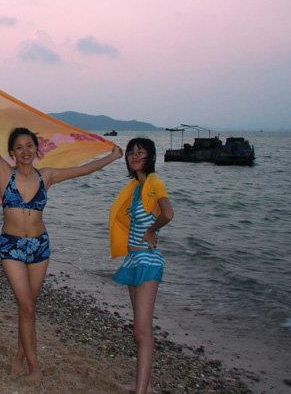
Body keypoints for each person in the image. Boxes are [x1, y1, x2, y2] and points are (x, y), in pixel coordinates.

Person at [0, 80, 123, 385]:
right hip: (12, 247)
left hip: (40, 247)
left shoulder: (47, 176)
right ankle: (35, 367)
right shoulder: (4, 174)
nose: (25, 151)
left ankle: (19, 357)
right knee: (27, 306)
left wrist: (113, 156)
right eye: (19, 147)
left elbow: (84, 169)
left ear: (36, 149)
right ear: (11, 152)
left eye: (30, 146)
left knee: (28, 309)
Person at [109, 138, 174, 394]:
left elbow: (168, 213)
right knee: (140, 329)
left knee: (141, 331)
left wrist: (152, 230)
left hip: (147, 260)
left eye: (141, 152)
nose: (135, 156)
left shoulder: (155, 183)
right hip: (133, 260)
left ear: (152, 157)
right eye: (131, 153)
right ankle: (142, 385)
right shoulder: (137, 188)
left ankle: (142, 391)